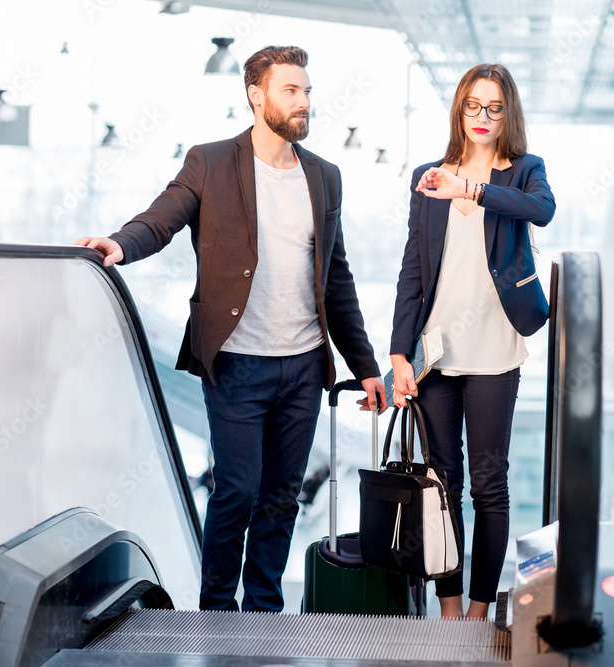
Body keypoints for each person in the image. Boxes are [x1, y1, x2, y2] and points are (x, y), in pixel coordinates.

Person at [75, 45, 386, 613]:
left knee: (281, 497)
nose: (303, 102)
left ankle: (264, 608)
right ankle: (216, 607)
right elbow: (161, 218)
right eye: (291, 90)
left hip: (302, 363)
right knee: (236, 491)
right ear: (256, 95)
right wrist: (120, 243)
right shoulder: (211, 162)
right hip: (237, 361)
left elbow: (335, 279)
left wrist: (364, 367)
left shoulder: (325, 176)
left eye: (307, 91)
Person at [389, 63, 555, 620]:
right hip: (437, 351)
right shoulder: (430, 175)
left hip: (494, 350)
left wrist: (473, 190)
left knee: (490, 485)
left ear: (508, 114)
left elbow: (543, 211)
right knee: (444, 485)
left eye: (494, 108)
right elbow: (413, 270)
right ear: (459, 110)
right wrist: (398, 354)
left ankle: (481, 610)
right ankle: (451, 609)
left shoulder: (523, 171)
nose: (482, 117)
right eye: (472, 106)